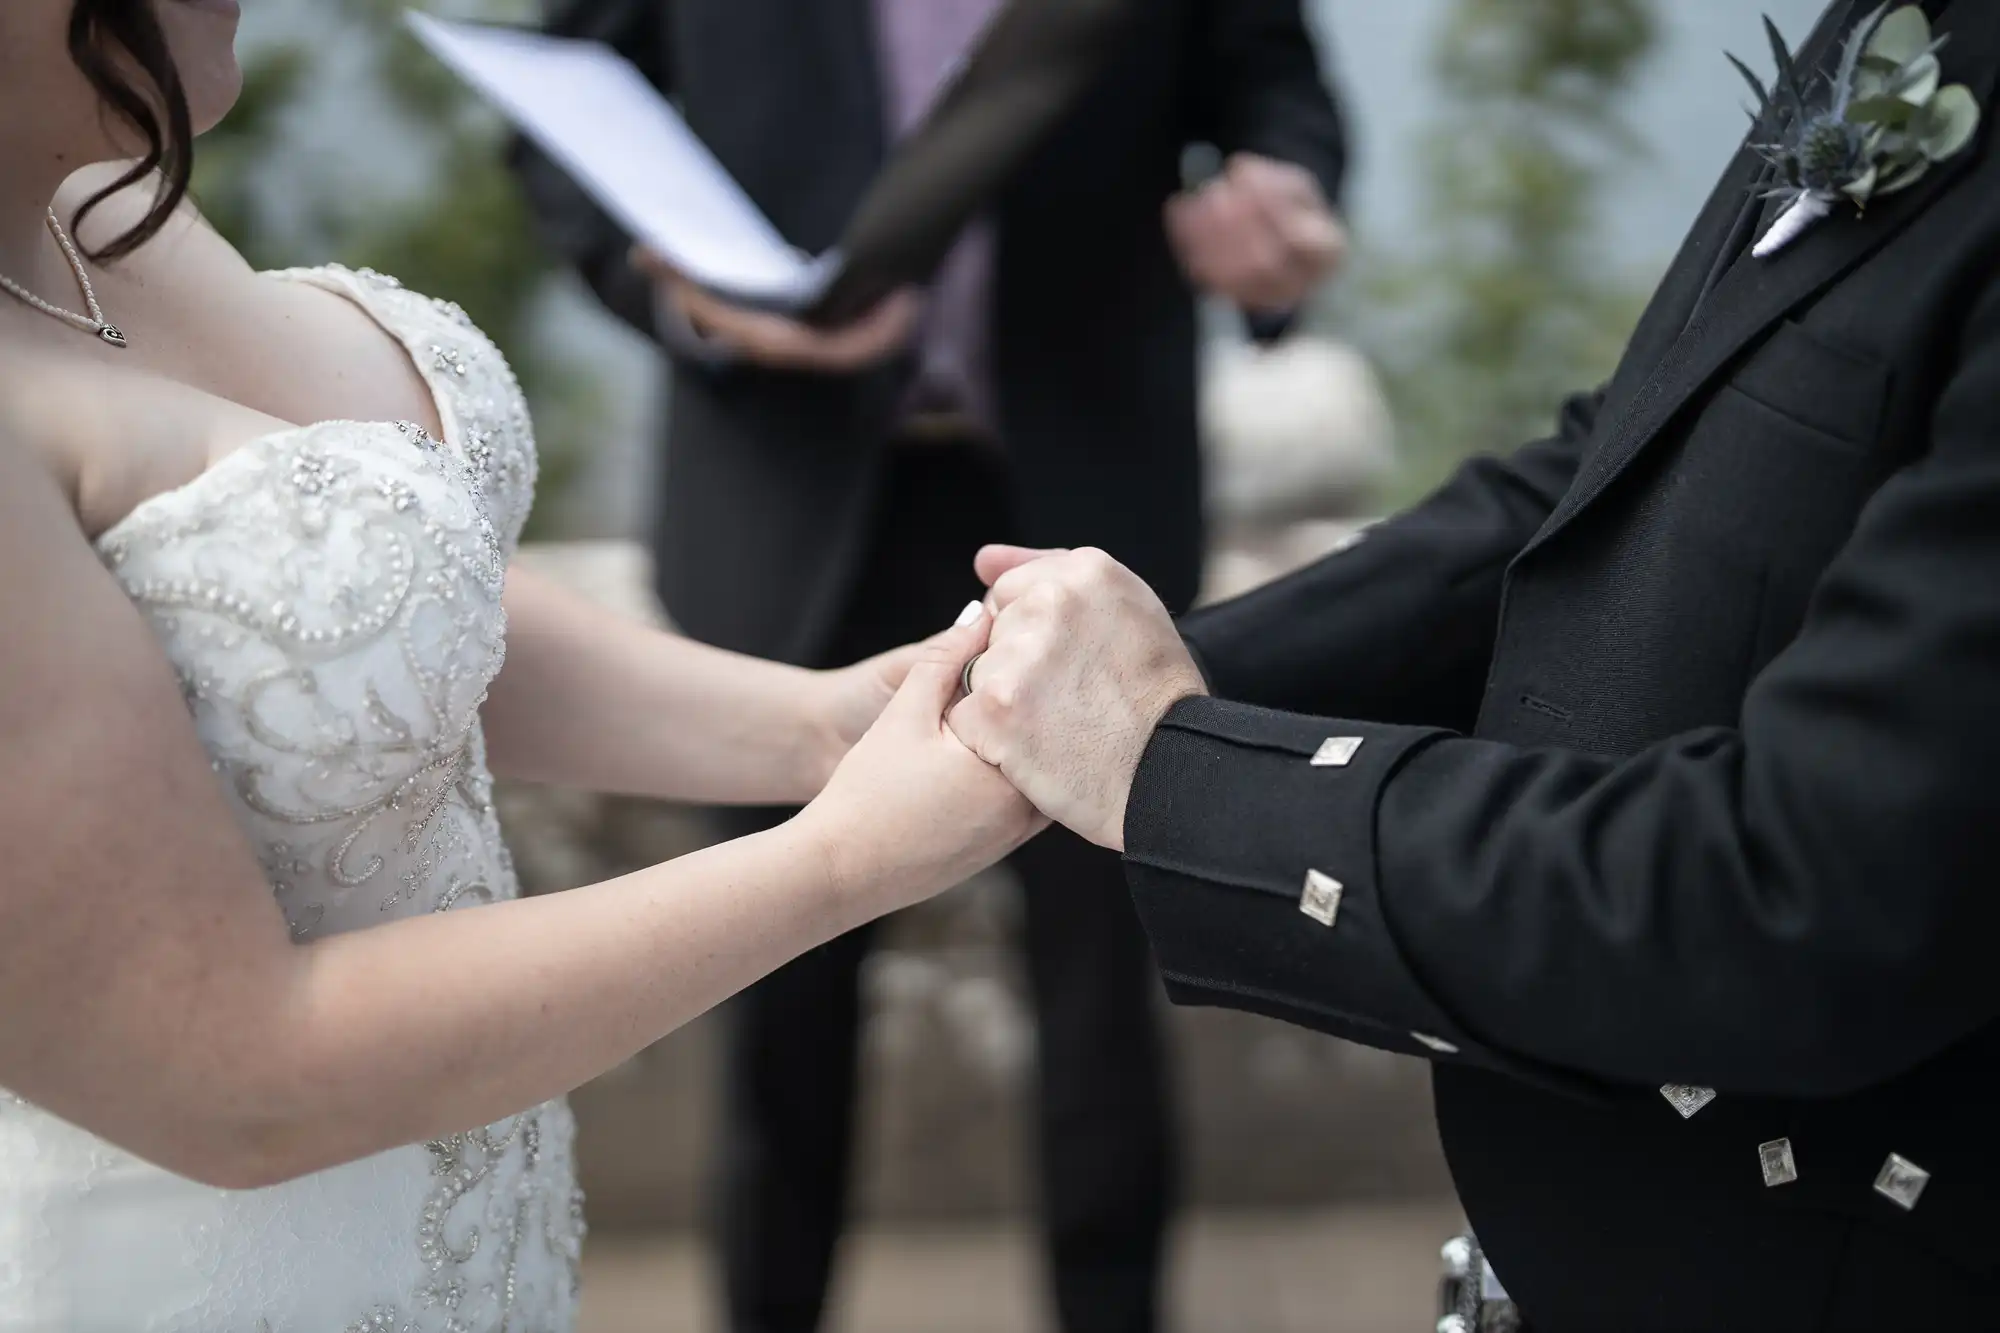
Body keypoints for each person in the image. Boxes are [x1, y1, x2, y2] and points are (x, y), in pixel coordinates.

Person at [942, 0, 2000, 1328]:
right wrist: (1156, 668)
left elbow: (1809, 890)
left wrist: (1173, 769)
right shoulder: (1912, 25)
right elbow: (1625, 460)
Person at [0, 2, 1039, 1329]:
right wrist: (839, 857)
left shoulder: (93, 193)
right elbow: (226, 1075)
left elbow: (365, 613)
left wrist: (821, 729)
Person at [513, 3, 1347, 1331]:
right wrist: (688, 302)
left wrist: (1279, 202)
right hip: (780, 500)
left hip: (1084, 493)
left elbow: (1276, 92)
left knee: (1103, 1004)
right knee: (769, 1005)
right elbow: (559, 108)